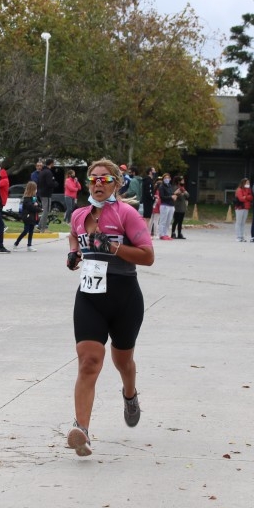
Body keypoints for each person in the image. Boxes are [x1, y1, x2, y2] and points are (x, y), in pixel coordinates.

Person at [65, 159, 154, 457]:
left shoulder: (127, 214)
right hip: (90, 297)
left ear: (116, 183)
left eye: (104, 179)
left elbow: (148, 256)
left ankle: (130, 394)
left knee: (123, 361)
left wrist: (113, 247)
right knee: (89, 361)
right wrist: (74, 253)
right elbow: (74, 236)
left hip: (124, 296)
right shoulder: (79, 214)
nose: (98, 184)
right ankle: (82, 431)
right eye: (93, 179)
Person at [13, 181, 40, 252]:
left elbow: (37, 204)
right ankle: (16, 243)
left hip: (33, 217)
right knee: (25, 231)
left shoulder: (34, 198)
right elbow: (31, 207)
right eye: (35, 189)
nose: (36, 190)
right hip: (27, 217)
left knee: (31, 231)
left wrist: (38, 206)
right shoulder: (26, 199)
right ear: (32, 189)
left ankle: (29, 245)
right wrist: (37, 208)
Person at [37, 158, 56, 232]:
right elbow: (49, 183)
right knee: (46, 210)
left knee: (45, 210)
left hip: (41, 192)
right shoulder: (48, 172)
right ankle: (43, 227)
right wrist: (55, 183)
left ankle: (40, 225)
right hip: (46, 194)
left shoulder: (42, 172)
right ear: (51, 163)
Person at [157, 173, 176, 240]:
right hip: (165, 205)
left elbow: (172, 194)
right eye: (165, 178)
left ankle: (165, 233)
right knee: (163, 220)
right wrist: (171, 197)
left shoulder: (170, 186)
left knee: (168, 221)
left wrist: (174, 196)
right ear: (163, 179)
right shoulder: (161, 187)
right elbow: (162, 197)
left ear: (170, 179)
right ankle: (161, 234)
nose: (167, 179)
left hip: (171, 205)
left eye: (168, 178)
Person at [234, 178, 253, 242]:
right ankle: (238, 236)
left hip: (246, 208)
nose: (248, 184)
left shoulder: (248, 190)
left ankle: (241, 236)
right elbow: (241, 199)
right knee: (238, 222)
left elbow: (251, 197)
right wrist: (247, 197)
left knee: (243, 223)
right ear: (243, 183)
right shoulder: (239, 189)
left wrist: (245, 197)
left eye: (249, 183)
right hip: (240, 208)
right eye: (247, 183)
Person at [141, 167, 156, 232]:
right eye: (153, 170)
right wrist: (153, 198)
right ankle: (145, 232)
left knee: (147, 218)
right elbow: (148, 192)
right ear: (150, 172)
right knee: (146, 218)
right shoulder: (148, 180)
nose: (155, 172)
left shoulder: (149, 180)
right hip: (147, 201)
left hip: (147, 201)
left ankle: (146, 232)